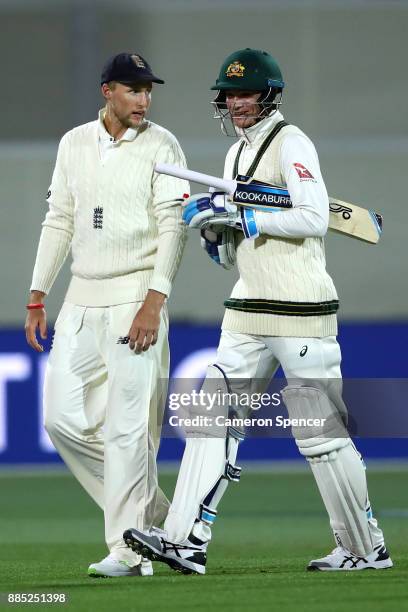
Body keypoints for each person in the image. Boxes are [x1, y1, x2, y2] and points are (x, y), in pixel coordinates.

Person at [123, 48, 392, 575]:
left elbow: (314, 218)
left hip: (300, 308)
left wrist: (245, 219)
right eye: (229, 94)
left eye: (245, 93)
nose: (235, 102)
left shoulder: (291, 142)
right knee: (210, 419)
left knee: (320, 435)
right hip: (246, 307)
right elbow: (235, 249)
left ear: (268, 95)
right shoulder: (232, 158)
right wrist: (217, 234)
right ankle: (184, 541)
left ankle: (365, 548)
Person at [25, 52, 188, 577]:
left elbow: (174, 228)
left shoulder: (163, 145)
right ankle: (154, 515)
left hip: (134, 299)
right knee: (61, 419)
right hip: (80, 298)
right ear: (107, 92)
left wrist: (154, 300)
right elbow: (59, 219)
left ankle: (129, 548)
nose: (143, 99)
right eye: (133, 89)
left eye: (148, 91)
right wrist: (37, 293)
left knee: (127, 431)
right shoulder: (73, 143)